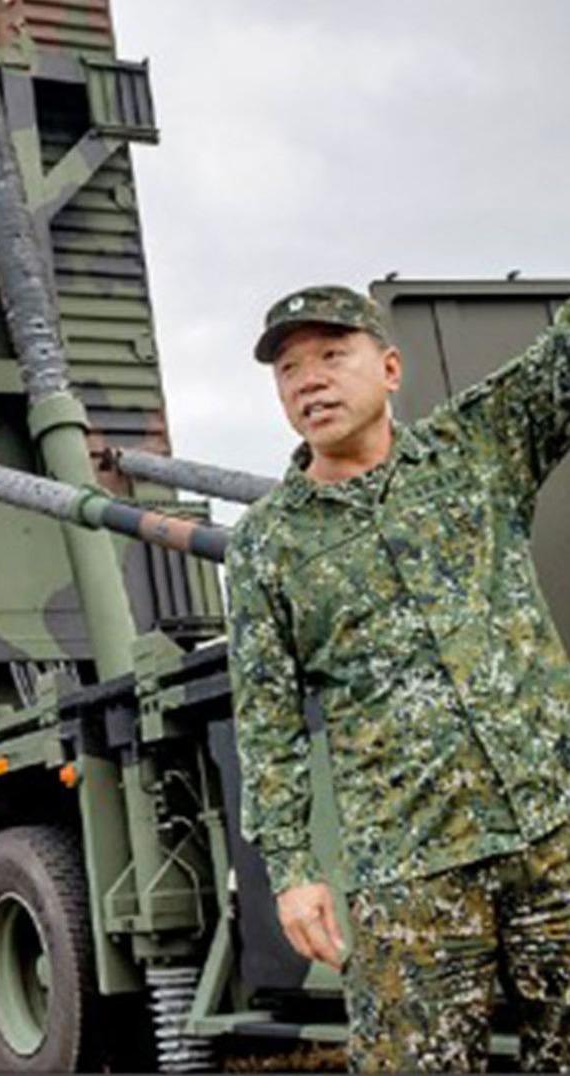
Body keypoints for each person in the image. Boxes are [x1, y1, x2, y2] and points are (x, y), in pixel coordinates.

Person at [228, 285, 570, 1071]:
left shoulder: (478, 446)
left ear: (389, 368)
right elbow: (268, 722)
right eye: (288, 369)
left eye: (331, 356)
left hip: (554, 830)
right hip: (412, 869)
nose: (308, 380)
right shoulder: (266, 546)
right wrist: (293, 873)